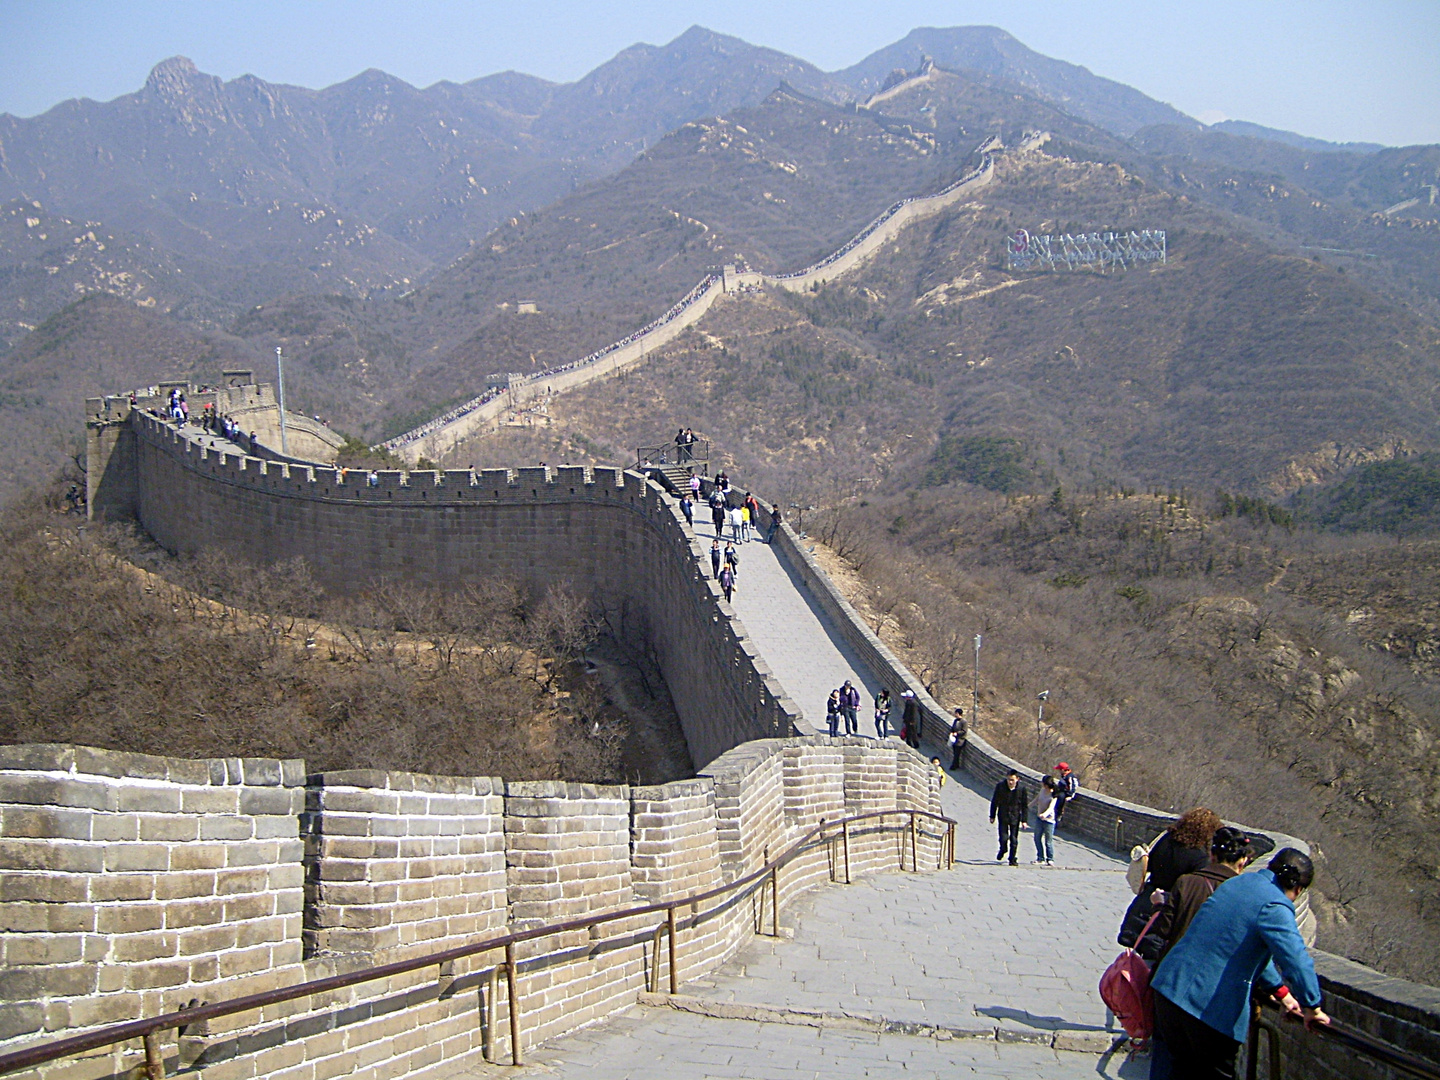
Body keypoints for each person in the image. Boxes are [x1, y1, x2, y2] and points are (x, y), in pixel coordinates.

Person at [1150, 849, 1328, 1080]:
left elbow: (1242, 946)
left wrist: (1280, 991)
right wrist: (1312, 1006)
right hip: (1207, 1008)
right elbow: (1296, 960)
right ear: (1298, 889)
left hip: (1169, 990)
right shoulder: (1275, 905)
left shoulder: (1238, 882)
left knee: (1183, 1070)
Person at [1117, 807, 1224, 963]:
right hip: (1166, 909)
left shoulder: (1167, 839)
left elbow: (1150, 865)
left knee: (1137, 953)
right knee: (1152, 960)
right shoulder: (1200, 856)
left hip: (1146, 900)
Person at [989, 770, 1029, 866]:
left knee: (1014, 839)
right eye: (1008, 779)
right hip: (1003, 815)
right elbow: (995, 801)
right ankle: (1003, 849)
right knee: (1003, 838)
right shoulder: (1000, 786)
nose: (1010, 782)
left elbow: (1024, 805)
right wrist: (992, 815)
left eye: (1012, 780)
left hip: (1015, 816)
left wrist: (1024, 820)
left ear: (1017, 779)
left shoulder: (1022, 789)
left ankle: (1012, 858)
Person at [1033, 776, 1058, 865]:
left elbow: (1051, 808)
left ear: (1046, 785)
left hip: (1049, 821)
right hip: (1039, 819)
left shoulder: (1054, 795)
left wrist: (1044, 814)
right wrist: (1027, 806)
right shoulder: (1042, 791)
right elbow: (1037, 799)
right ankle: (1040, 858)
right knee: (1037, 838)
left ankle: (1050, 859)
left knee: (1048, 841)